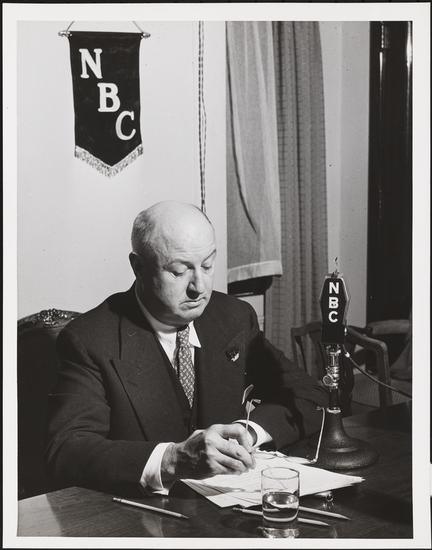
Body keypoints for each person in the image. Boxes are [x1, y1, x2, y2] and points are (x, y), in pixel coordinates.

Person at [46, 201, 327, 497]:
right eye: (179, 271)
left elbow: (309, 394)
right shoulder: (90, 339)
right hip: (141, 512)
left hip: (228, 507)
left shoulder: (233, 317)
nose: (199, 287)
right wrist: (172, 460)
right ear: (138, 267)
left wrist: (247, 433)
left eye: (207, 265)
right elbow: (66, 451)